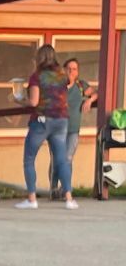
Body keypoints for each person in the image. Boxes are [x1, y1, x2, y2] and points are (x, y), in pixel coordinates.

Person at [16, 44, 77, 210]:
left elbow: (34, 102)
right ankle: (69, 199)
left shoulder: (37, 77)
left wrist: (18, 100)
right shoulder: (62, 76)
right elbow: (68, 85)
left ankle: (32, 199)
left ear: (39, 58)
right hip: (61, 120)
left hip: (42, 121)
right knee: (61, 160)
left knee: (29, 159)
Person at [50, 57, 95, 199]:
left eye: (74, 69)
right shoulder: (57, 85)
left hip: (73, 130)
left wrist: (90, 100)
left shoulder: (81, 85)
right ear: (64, 70)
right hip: (56, 129)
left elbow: (95, 93)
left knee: (67, 158)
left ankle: (65, 189)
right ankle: (53, 189)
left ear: (77, 71)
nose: (71, 71)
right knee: (56, 159)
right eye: (68, 68)